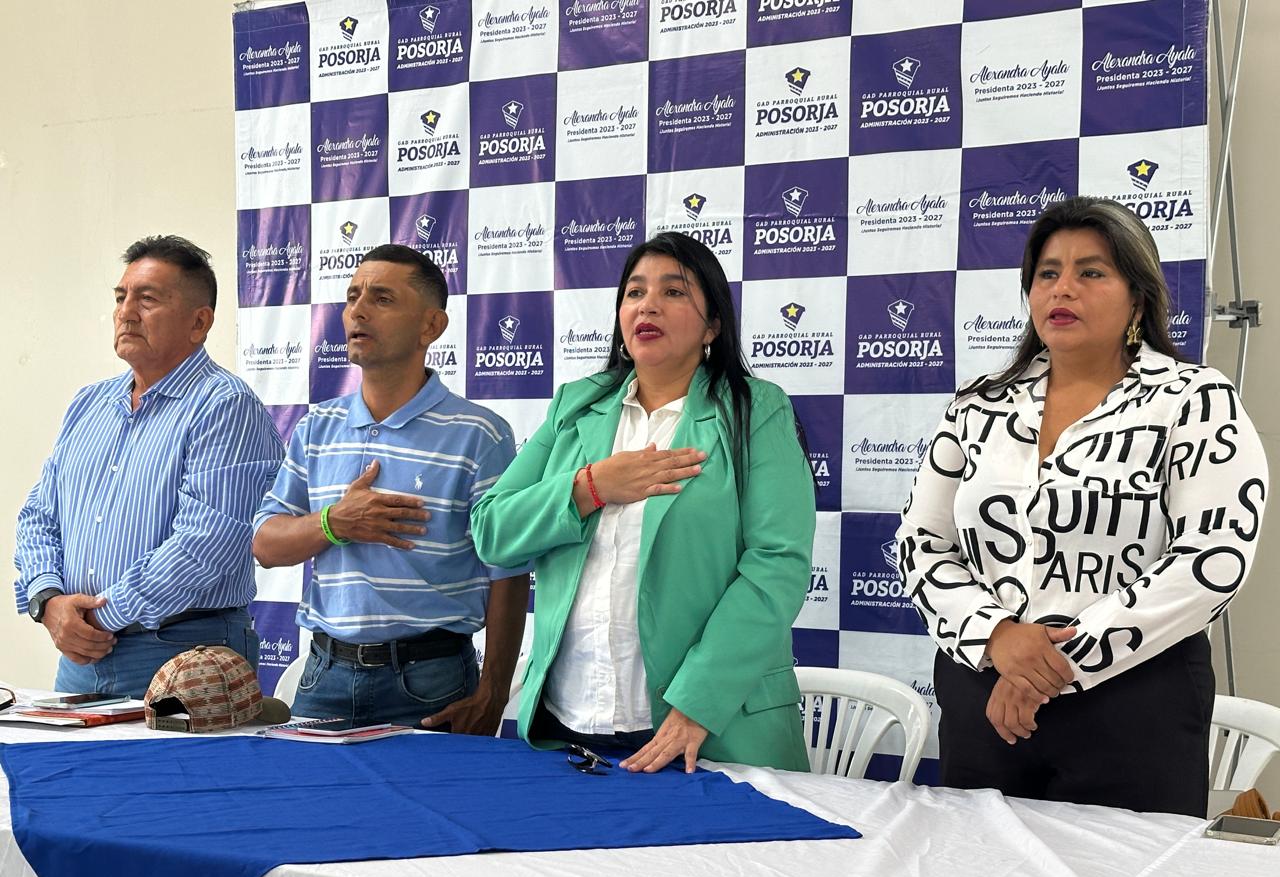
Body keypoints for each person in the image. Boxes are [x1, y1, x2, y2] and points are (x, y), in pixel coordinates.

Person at [897, 196, 1267, 816]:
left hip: (1132, 700)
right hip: (986, 695)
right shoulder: (977, 405)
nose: (1062, 288)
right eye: (1048, 273)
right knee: (976, 872)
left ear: (1138, 298)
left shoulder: (1194, 400)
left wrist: (1055, 663)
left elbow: (1211, 560)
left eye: (1091, 272)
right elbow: (920, 543)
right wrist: (998, 637)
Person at [471, 232, 815, 774]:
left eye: (673, 292)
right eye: (635, 292)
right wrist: (591, 487)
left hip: (703, 728)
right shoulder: (574, 405)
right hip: (569, 721)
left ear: (713, 325)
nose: (647, 305)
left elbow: (777, 565)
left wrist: (698, 702)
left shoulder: (755, 409)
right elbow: (492, 531)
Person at [253, 244, 529, 733]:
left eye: (381, 299)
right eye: (352, 296)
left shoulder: (479, 433)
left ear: (431, 326)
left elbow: (507, 571)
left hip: (433, 680)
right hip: (324, 674)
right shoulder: (317, 427)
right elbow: (266, 546)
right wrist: (334, 523)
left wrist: (493, 692)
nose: (357, 311)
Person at [14, 236, 284, 698]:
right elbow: (39, 515)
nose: (126, 312)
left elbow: (206, 545)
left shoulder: (225, 405)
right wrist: (48, 600)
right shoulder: (89, 403)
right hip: (81, 656)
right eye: (121, 297)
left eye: (147, 299)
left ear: (199, 322)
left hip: (185, 653)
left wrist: (99, 615)